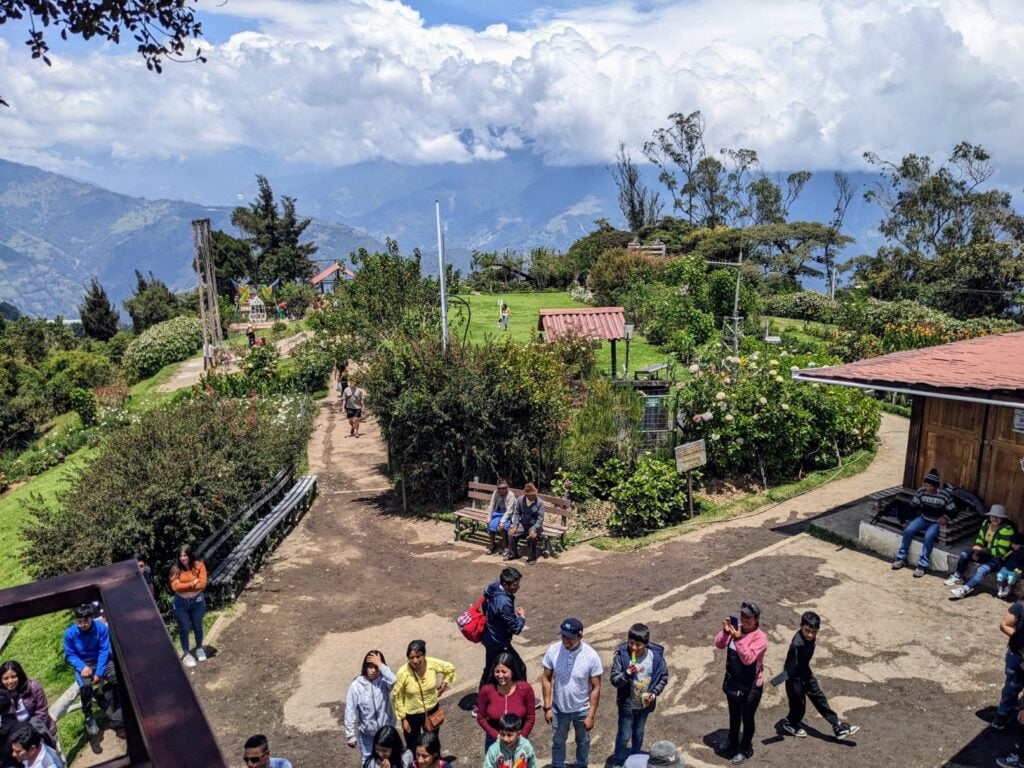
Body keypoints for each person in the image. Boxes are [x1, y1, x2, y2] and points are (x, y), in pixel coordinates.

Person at [779, 612, 859, 740]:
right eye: (807, 631)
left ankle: (837, 726)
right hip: (795, 679)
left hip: (806, 673)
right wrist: (782, 680)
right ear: (801, 626)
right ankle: (790, 723)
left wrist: (807, 676)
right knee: (799, 706)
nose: (810, 635)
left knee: (820, 699)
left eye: (814, 632)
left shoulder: (810, 638)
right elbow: (789, 665)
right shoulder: (796, 644)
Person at [541, 618, 602, 768]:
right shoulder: (554, 650)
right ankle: (557, 765)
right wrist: (547, 707)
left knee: (583, 742)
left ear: (580, 637)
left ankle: (581, 765)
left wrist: (591, 715)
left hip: (582, 709)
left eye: (570, 637)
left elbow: (596, 688)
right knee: (558, 742)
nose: (565, 640)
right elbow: (546, 678)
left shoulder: (591, 656)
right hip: (559, 709)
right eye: (563, 636)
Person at [714, 601, 767, 765]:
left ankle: (745, 749)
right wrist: (725, 631)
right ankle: (732, 738)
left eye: (749, 618)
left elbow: (748, 658)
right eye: (743, 616)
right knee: (734, 714)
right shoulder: (736, 630)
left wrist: (738, 639)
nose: (745, 620)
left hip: (751, 687)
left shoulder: (760, 638)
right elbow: (719, 644)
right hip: (734, 682)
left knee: (747, 718)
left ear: (756, 619)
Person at [609, 623, 669, 768]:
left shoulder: (656, 658)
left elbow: (664, 677)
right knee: (624, 735)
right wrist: (627, 674)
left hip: (644, 706)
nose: (634, 648)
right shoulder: (622, 656)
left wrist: (654, 693)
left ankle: (635, 760)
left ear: (646, 644)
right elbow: (614, 680)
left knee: (638, 734)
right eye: (631, 643)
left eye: (638, 645)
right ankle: (619, 761)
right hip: (627, 705)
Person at [63, 604, 123, 737]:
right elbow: (70, 655)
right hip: (84, 663)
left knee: (118, 678)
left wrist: (99, 672)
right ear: (75, 621)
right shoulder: (69, 634)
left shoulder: (101, 628)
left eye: (86, 621)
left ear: (91, 618)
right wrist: (81, 666)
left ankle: (118, 705)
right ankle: (88, 715)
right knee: (85, 687)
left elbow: (103, 651)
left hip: (102, 660)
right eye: (79, 622)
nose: (83, 624)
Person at [891, 468, 957, 577]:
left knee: (928, 537)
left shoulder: (944, 495)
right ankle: (901, 558)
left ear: (936, 486)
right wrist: (906, 520)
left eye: (931, 486)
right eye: (926, 485)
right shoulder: (921, 491)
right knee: (908, 531)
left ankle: (922, 565)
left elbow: (953, 510)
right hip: (923, 518)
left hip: (935, 522)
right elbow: (913, 506)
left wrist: (945, 517)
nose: (928, 488)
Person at [392, 641, 456, 751]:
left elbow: (450, 668)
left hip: (432, 711)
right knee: (412, 746)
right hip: (412, 715)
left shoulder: (432, 663)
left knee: (431, 743)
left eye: (418, 656)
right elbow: (397, 696)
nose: (415, 661)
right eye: (411, 657)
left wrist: (444, 684)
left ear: (424, 655)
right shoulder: (403, 672)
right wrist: (403, 719)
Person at [946, 504, 1016, 599]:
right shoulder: (986, 523)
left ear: (1002, 518)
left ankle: (964, 590)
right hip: (985, 552)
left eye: (997, 517)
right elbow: (980, 539)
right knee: (964, 555)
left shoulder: (1007, 530)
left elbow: (1000, 551)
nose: (994, 519)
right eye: (992, 516)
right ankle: (958, 576)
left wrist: (982, 550)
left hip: (998, 558)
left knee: (981, 570)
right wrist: (976, 552)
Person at [476, 652, 536, 751]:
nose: (500, 675)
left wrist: (521, 738)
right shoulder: (486, 690)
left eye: (504, 672)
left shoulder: (525, 689)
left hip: (519, 741)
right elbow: (481, 717)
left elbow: (530, 718)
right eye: (497, 671)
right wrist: (497, 736)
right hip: (494, 742)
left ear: (512, 671)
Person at [346, 650, 398, 761]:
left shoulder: (384, 682)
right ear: (365, 667)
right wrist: (350, 735)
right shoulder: (356, 686)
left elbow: (393, 680)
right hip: (367, 734)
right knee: (368, 759)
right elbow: (350, 710)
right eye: (370, 666)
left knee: (390, 759)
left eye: (376, 667)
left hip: (386, 732)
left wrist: (381, 664)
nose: (374, 670)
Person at [480, 567, 527, 688]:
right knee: (519, 667)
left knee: (490, 669)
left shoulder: (493, 587)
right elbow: (515, 628)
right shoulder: (503, 602)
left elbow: (485, 606)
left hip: (489, 636)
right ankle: (523, 694)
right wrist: (521, 617)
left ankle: (481, 700)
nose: (518, 587)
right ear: (505, 584)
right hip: (499, 641)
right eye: (515, 585)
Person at [169, 544, 208, 667]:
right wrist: (191, 583)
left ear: (190, 555)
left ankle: (199, 648)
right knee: (184, 628)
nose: (183, 558)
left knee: (197, 625)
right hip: (181, 603)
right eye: (180, 555)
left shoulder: (199, 566)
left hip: (197, 601)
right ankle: (186, 653)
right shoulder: (175, 569)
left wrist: (183, 584)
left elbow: (202, 584)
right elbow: (175, 587)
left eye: (185, 555)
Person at [992, 589, 1024, 729]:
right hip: (1017, 655)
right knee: (1012, 687)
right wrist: (1021, 640)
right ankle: (1002, 716)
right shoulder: (1020, 606)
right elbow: (1005, 625)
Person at [0, 661, 56, 743]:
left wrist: (31, 732)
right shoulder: (2, 696)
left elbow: (42, 711)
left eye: (13, 677)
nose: (10, 681)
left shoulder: (33, 686)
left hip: (40, 728)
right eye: (6, 678)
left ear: (19, 676)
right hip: (18, 735)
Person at [507, 484, 544, 565]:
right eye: (530, 495)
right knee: (511, 534)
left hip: (534, 525)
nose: (532, 496)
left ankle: (532, 558)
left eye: (534, 494)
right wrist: (515, 526)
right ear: (526, 494)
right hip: (523, 524)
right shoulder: (520, 500)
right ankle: (513, 554)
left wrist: (534, 529)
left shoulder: (539, 502)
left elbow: (540, 519)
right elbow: (517, 513)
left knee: (532, 537)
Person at [486, 481, 517, 556]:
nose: (501, 490)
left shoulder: (511, 495)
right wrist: (489, 517)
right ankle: (493, 544)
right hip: (498, 513)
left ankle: (506, 546)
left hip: (509, 514)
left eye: (503, 488)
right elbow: (492, 505)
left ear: (507, 488)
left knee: (504, 527)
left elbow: (510, 510)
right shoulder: (495, 493)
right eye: (499, 488)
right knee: (491, 525)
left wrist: (502, 521)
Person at [996, 534, 1024, 599]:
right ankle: (1000, 589)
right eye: (1013, 543)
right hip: (1006, 567)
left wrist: (1021, 570)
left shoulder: (1022, 553)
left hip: (1015, 570)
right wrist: (1002, 559)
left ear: (1022, 545)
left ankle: (1007, 591)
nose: (1014, 545)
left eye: (1016, 544)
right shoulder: (1010, 550)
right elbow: (1004, 559)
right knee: (999, 576)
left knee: (1011, 579)